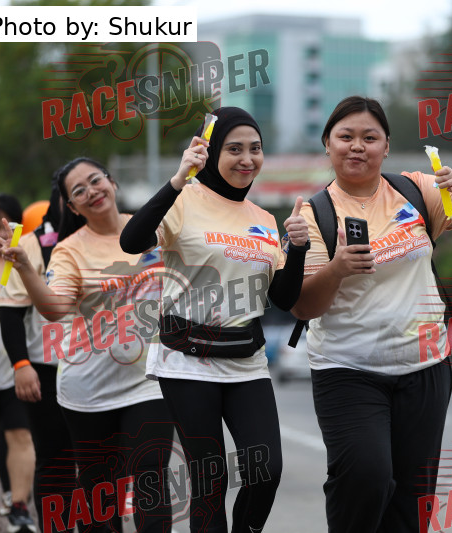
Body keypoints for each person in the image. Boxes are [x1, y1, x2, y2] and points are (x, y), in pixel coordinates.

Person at [291, 96, 452, 532]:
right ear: (327, 144)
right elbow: (304, 305)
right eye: (346, 136)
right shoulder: (315, 214)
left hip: (425, 367)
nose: (357, 146)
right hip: (348, 369)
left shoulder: (415, 190)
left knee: (412, 500)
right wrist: (337, 268)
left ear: (386, 146)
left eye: (370, 138)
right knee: (365, 477)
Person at [119, 107, 308, 533]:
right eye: (234, 149)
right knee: (210, 479)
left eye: (255, 149)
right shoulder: (184, 200)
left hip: (246, 360)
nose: (247, 159)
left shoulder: (264, 219)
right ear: (212, 152)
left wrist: (296, 249)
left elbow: (283, 297)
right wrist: (177, 180)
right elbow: (131, 241)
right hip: (187, 358)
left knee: (266, 470)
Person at [0, 159, 173, 533]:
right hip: (83, 385)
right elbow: (46, 309)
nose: (91, 191)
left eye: (95, 181)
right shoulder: (62, 249)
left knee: (150, 473)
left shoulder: (154, 227)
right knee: (92, 490)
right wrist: (24, 269)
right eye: (78, 191)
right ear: (70, 205)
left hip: (149, 378)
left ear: (112, 182)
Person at [0, 182, 79, 533]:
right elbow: (9, 312)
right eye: (73, 192)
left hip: (99, 365)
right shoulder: (30, 244)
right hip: (46, 369)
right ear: (58, 199)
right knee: (55, 458)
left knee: (102, 459)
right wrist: (21, 365)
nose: (83, 198)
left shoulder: (111, 237)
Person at [0, 193, 37, 533]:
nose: (0, 235)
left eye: (8, 228)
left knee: (21, 435)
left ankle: (19, 505)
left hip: (18, 369)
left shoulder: (27, 259)